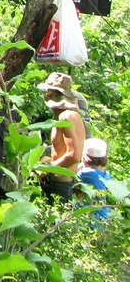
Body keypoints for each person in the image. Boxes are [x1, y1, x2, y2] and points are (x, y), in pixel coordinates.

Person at [37, 71, 88, 200]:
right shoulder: (69, 116)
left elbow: (74, 155)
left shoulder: (66, 116)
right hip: (62, 181)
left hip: (61, 184)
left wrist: (47, 168)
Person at [77, 138, 112, 224]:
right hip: (103, 217)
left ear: (85, 157)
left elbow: (74, 173)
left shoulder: (85, 173)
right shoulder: (106, 175)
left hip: (89, 220)